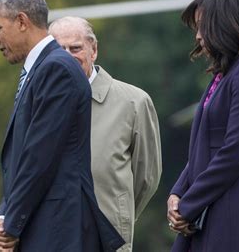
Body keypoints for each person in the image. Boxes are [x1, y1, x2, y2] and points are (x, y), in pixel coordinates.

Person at [0, 0, 124, 251]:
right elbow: (24, 155)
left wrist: (12, 222)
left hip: (58, 229)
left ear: (21, 21)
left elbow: (40, 154)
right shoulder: (42, 68)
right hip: (46, 225)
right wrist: (5, 213)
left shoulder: (57, 69)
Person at [167, 0, 239, 251]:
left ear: (227, 22)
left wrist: (188, 205)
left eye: (203, 26)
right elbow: (203, 147)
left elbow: (234, 152)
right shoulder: (225, 73)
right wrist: (177, 193)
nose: (198, 36)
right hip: (215, 206)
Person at [49, 16, 162, 252]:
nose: (67, 56)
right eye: (60, 50)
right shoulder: (41, 103)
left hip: (107, 239)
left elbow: (147, 178)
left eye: (76, 48)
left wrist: (119, 213)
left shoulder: (134, 102)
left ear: (94, 50)